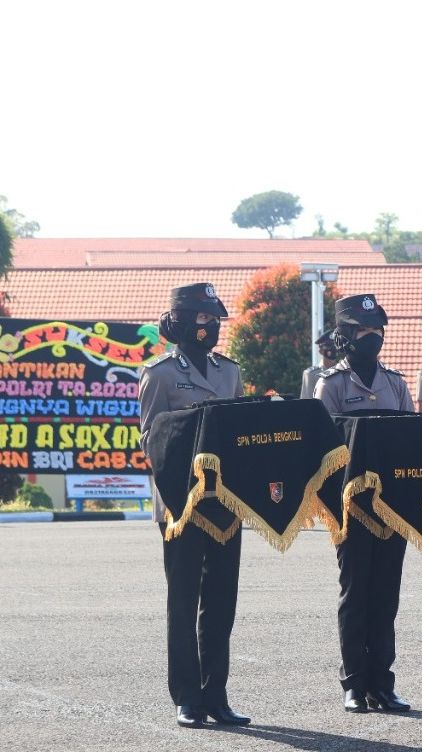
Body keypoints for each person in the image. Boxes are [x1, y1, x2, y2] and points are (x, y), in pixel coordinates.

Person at [138, 282, 250, 729]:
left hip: (225, 504)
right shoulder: (160, 374)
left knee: (221, 602)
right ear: (181, 322)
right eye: (203, 318)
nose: (211, 327)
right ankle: (187, 696)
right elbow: (152, 442)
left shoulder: (229, 372)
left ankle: (216, 694)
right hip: (180, 504)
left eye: (215, 319)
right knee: (183, 602)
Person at [314, 294, 414, 714]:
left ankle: (382, 684)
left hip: (392, 507)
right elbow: (323, 450)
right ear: (344, 336)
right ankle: (354, 683)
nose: (372, 337)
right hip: (350, 508)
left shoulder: (395, 383)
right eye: (363, 330)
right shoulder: (331, 384)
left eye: (377, 329)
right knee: (356, 594)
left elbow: (413, 437)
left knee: (387, 595)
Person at [300, 330, 338, 400]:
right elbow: (306, 404)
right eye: (329, 346)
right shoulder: (311, 374)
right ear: (321, 351)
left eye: (335, 346)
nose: (333, 349)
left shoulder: (344, 372)